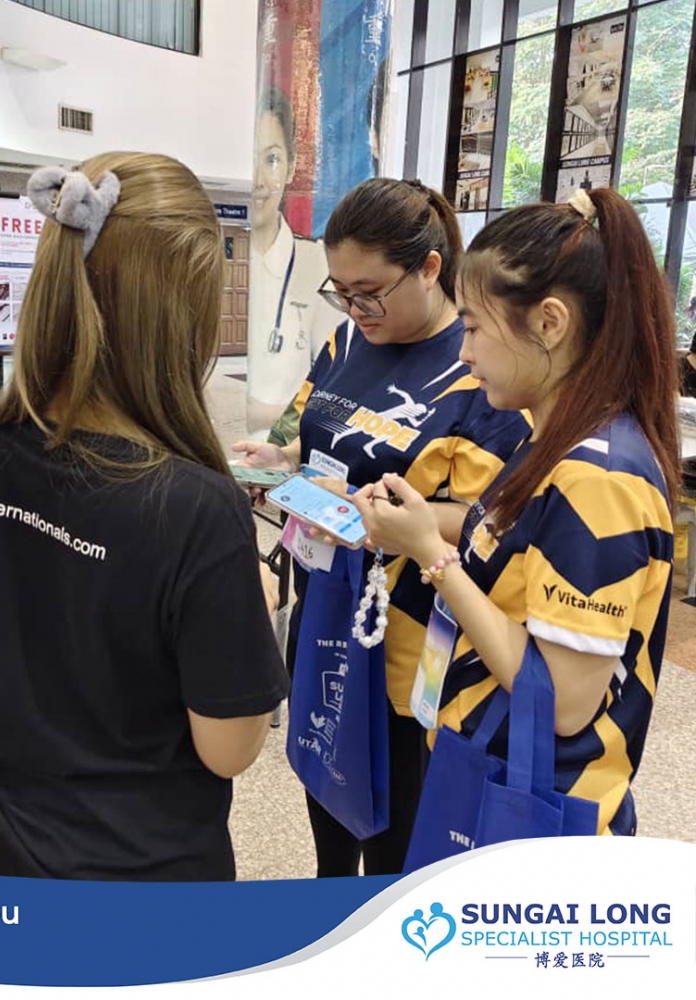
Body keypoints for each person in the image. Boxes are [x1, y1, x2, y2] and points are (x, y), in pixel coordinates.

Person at [0, 152, 289, 881]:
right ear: (184, 317)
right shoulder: (196, 509)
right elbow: (228, 749)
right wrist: (247, 608)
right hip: (139, 875)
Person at [354, 187, 679, 839]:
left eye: (475, 327)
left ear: (550, 323)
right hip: (483, 763)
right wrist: (421, 525)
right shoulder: (552, 438)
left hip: (538, 807)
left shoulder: (600, 482)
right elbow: (510, 547)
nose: (465, 354)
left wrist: (433, 557)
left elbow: (562, 701)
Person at [233, 178, 529, 876]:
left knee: (396, 842)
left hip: (409, 647)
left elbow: (494, 519)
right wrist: (280, 459)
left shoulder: (479, 368)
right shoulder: (345, 341)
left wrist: (377, 514)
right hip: (325, 608)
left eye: (369, 292)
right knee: (325, 803)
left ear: (429, 268)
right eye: (340, 291)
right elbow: (308, 433)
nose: (354, 308)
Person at [246, 85, 342, 440]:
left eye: (271, 159)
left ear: (290, 167)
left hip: (292, 450)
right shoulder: (216, 262)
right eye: (249, 158)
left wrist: (258, 410)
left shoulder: (317, 263)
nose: (258, 179)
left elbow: (335, 385)